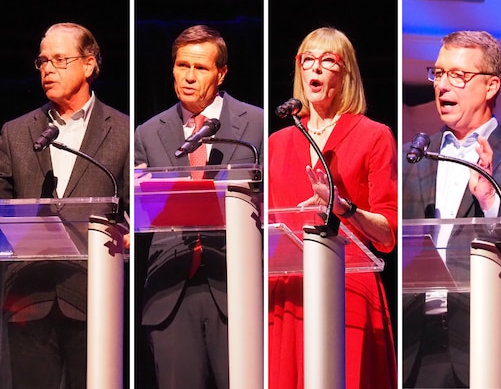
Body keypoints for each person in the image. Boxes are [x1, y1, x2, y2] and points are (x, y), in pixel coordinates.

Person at [133, 24, 264, 389]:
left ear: (221, 73)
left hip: (236, 286)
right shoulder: (147, 132)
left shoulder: (256, 124)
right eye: (181, 66)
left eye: (201, 68)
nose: (188, 77)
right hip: (169, 291)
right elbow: (141, 207)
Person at [0, 22, 129, 389]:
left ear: (89, 65)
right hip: (27, 298)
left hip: (94, 298)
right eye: (42, 61)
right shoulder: (16, 131)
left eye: (59, 59)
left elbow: (135, 212)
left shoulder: (121, 131)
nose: (47, 70)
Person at [267, 26, 398, 389]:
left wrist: (344, 207)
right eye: (307, 60)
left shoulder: (374, 135)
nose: (315, 68)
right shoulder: (278, 142)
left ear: (346, 73)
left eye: (327, 61)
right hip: (291, 293)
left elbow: (388, 233)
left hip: (351, 288)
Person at [402, 30, 501, 388]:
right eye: (439, 73)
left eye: (458, 76)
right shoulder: (413, 157)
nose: (443, 85)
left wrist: (493, 200)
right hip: (416, 344)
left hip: (487, 337)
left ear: (491, 86)